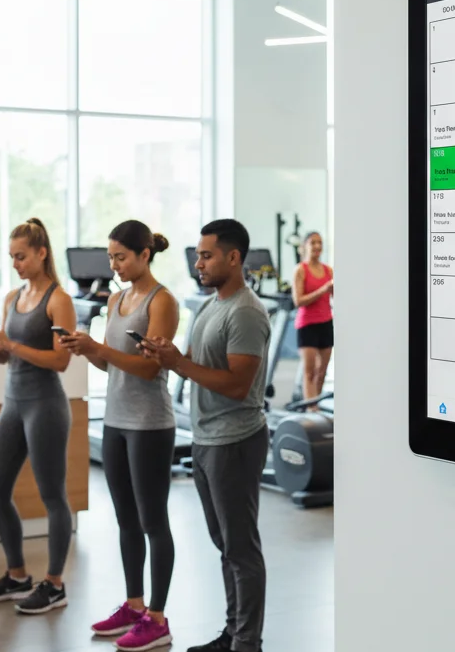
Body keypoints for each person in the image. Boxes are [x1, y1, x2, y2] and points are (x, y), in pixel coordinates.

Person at [142, 219, 270, 652]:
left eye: (207, 255)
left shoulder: (246, 312)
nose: (198, 262)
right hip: (206, 438)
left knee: (240, 549)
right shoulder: (212, 305)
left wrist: (179, 363)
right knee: (225, 545)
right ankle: (233, 632)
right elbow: (198, 360)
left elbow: (236, 384)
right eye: (198, 254)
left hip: (235, 440)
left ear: (234, 258)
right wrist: (166, 355)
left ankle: (247, 642)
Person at [62, 220, 179, 651]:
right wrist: (88, 349)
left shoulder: (161, 300)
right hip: (116, 421)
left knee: (153, 521)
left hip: (149, 424)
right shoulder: (115, 299)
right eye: (110, 257)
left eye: (121, 257)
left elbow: (152, 367)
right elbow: (111, 365)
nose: (114, 265)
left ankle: (158, 618)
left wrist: (102, 350)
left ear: (145, 254)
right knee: (126, 520)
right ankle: (134, 606)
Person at [0, 218, 76, 615]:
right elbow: (5, 355)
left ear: (42, 253)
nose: (15, 263)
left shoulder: (58, 299)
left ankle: (55, 583)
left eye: (21, 256)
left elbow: (60, 360)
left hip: (45, 405)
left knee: (52, 496)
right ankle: (17, 576)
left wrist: (12, 343)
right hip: (12, 403)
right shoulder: (12, 297)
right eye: (11, 257)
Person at [291, 232, 334, 402]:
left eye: (320, 242)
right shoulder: (301, 270)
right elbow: (298, 301)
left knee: (322, 370)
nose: (317, 246)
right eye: (313, 242)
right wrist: (323, 289)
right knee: (310, 371)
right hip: (307, 324)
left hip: (326, 322)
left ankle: (316, 403)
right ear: (304, 246)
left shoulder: (328, 270)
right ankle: (311, 408)